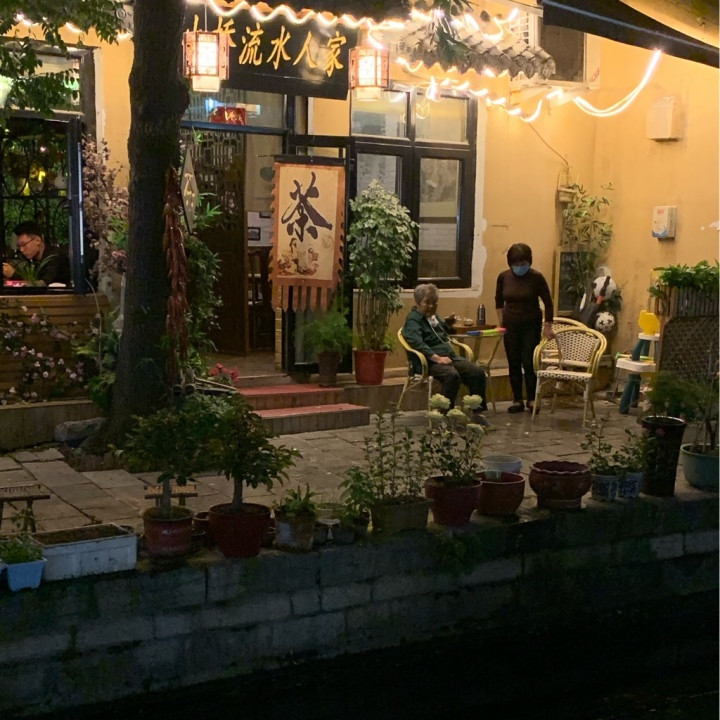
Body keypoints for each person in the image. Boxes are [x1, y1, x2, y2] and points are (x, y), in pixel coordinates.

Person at [402, 283, 488, 414]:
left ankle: (477, 412)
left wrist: (448, 323)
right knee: (451, 376)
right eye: (427, 302)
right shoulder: (413, 320)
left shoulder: (434, 317)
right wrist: (437, 358)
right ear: (418, 302)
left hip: (449, 357)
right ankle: (446, 414)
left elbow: (445, 332)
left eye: (434, 302)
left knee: (477, 373)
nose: (431, 306)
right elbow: (417, 343)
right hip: (428, 362)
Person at [495, 243, 554, 414]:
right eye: (516, 264)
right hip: (510, 325)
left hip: (531, 324)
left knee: (529, 361)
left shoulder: (536, 278)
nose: (520, 267)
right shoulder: (503, 277)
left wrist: (548, 326)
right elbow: (498, 301)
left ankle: (532, 398)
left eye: (523, 264)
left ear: (529, 262)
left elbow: (548, 303)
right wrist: (501, 324)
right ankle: (517, 399)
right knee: (513, 361)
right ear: (510, 263)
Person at [2, 221, 71, 286]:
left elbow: (43, 283)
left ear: (38, 240)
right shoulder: (30, 259)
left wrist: (14, 274)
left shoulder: (56, 256)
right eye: (19, 246)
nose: (22, 250)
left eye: (24, 244)